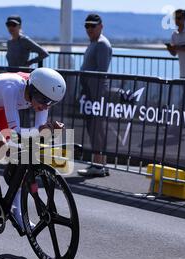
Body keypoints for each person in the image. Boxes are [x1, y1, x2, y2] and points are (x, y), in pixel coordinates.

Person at [0, 68, 66, 232]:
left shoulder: (42, 95)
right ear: (32, 90)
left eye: (51, 103)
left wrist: (49, 132)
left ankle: (16, 209)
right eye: (43, 100)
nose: (45, 106)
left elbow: (38, 134)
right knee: (0, 144)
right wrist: (42, 131)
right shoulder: (12, 87)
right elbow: (15, 132)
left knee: (21, 153)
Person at [77, 13, 112, 178]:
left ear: (101, 26)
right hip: (90, 91)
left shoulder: (102, 44)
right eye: (87, 26)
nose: (89, 29)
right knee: (95, 128)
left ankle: (98, 165)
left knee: (96, 128)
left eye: (93, 26)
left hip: (96, 91)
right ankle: (99, 163)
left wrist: (90, 89)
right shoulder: (93, 43)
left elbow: (101, 71)